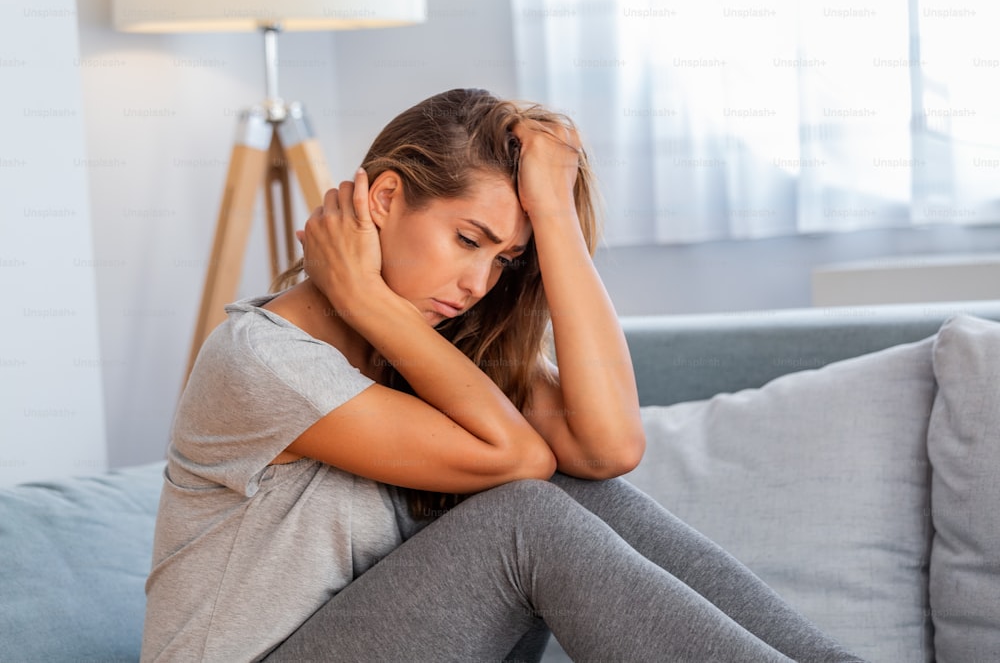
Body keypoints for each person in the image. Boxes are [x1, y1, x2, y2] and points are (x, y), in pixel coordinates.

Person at [141, 88, 861, 662]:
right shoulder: (261, 359)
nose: (478, 282)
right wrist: (364, 299)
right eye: (467, 240)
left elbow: (609, 448)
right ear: (385, 199)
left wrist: (556, 215)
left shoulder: (430, 348)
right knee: (525, 513)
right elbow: (515, 461)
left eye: (504, 259)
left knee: (580, 491)